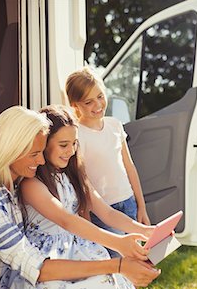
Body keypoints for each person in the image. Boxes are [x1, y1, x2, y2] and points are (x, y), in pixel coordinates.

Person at [0, 106, 160, 289]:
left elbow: (107, 213)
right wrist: (117, 243)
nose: (71, 151)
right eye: (63, 145)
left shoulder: (73, 175)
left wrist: (146, 231)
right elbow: (66, 220)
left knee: (111, 283)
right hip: (48, 255)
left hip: (74, 250)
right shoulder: (29, 185)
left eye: (74, 144)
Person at [65, 67, 151, 256]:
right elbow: (82, 180)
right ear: (75, 105)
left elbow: (129, 166)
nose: (97, 104)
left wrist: (141, 206)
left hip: (128, 202)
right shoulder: (77, 134)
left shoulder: (114, 125)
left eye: (100, 96)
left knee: (137, 256)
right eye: (88, 102)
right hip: (103, 210)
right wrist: (86, 216)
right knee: (116, 261)